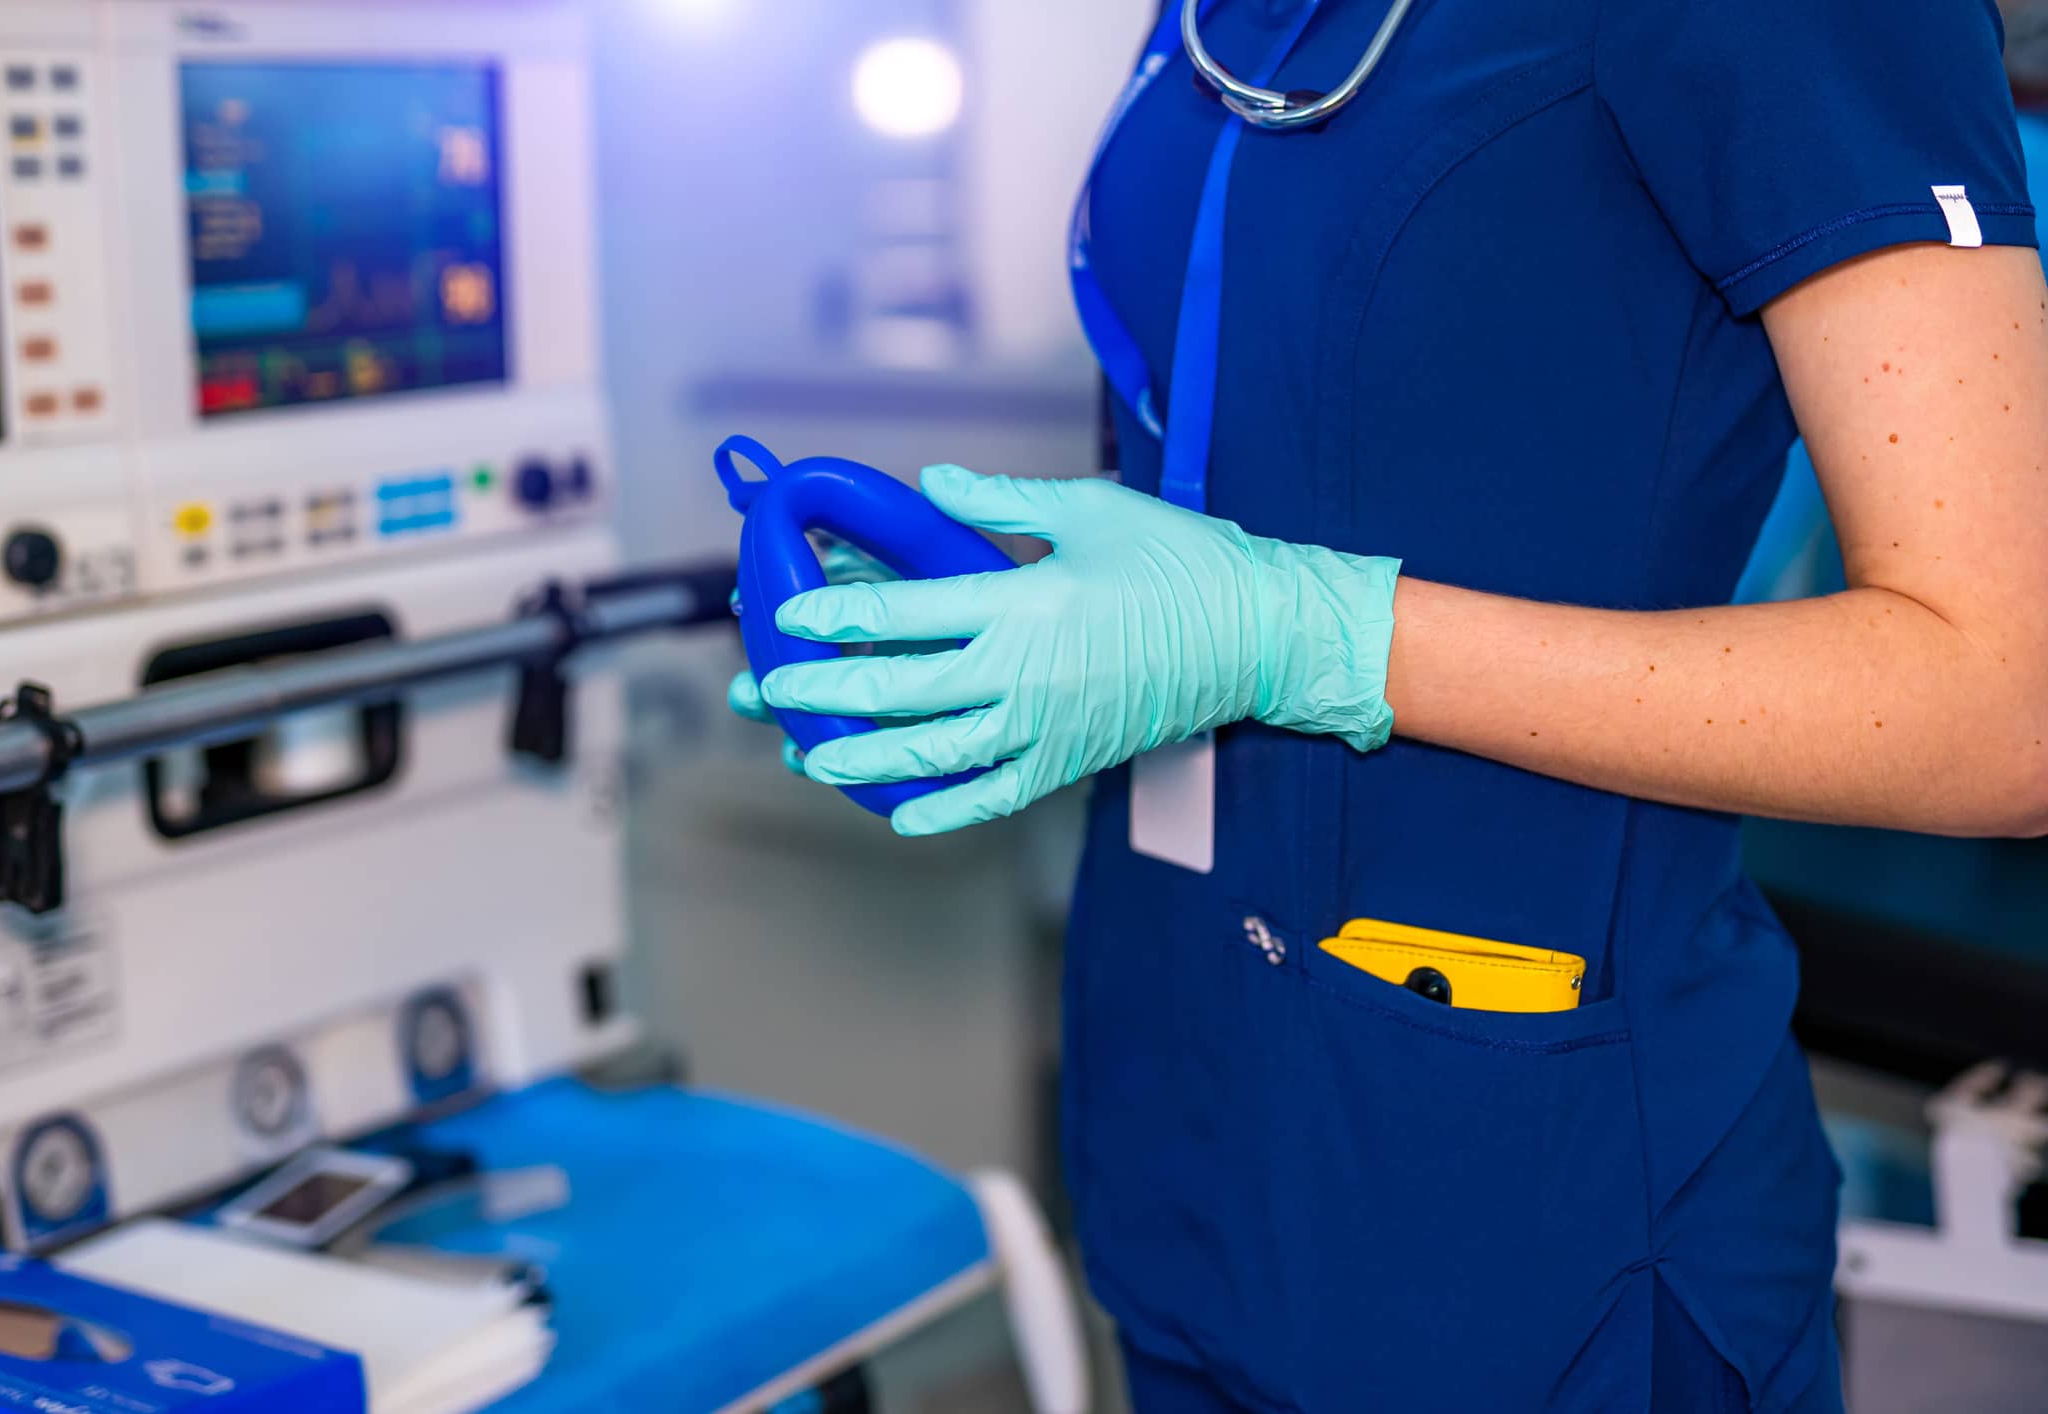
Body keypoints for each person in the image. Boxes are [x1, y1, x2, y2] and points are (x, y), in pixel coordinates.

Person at [733, 1, 2048, 1408]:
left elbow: (2001, 704)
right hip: (1180, 1119)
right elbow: (1301, 463)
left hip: (1522, 1204)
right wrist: (1033, 624)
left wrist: (1302, 635)